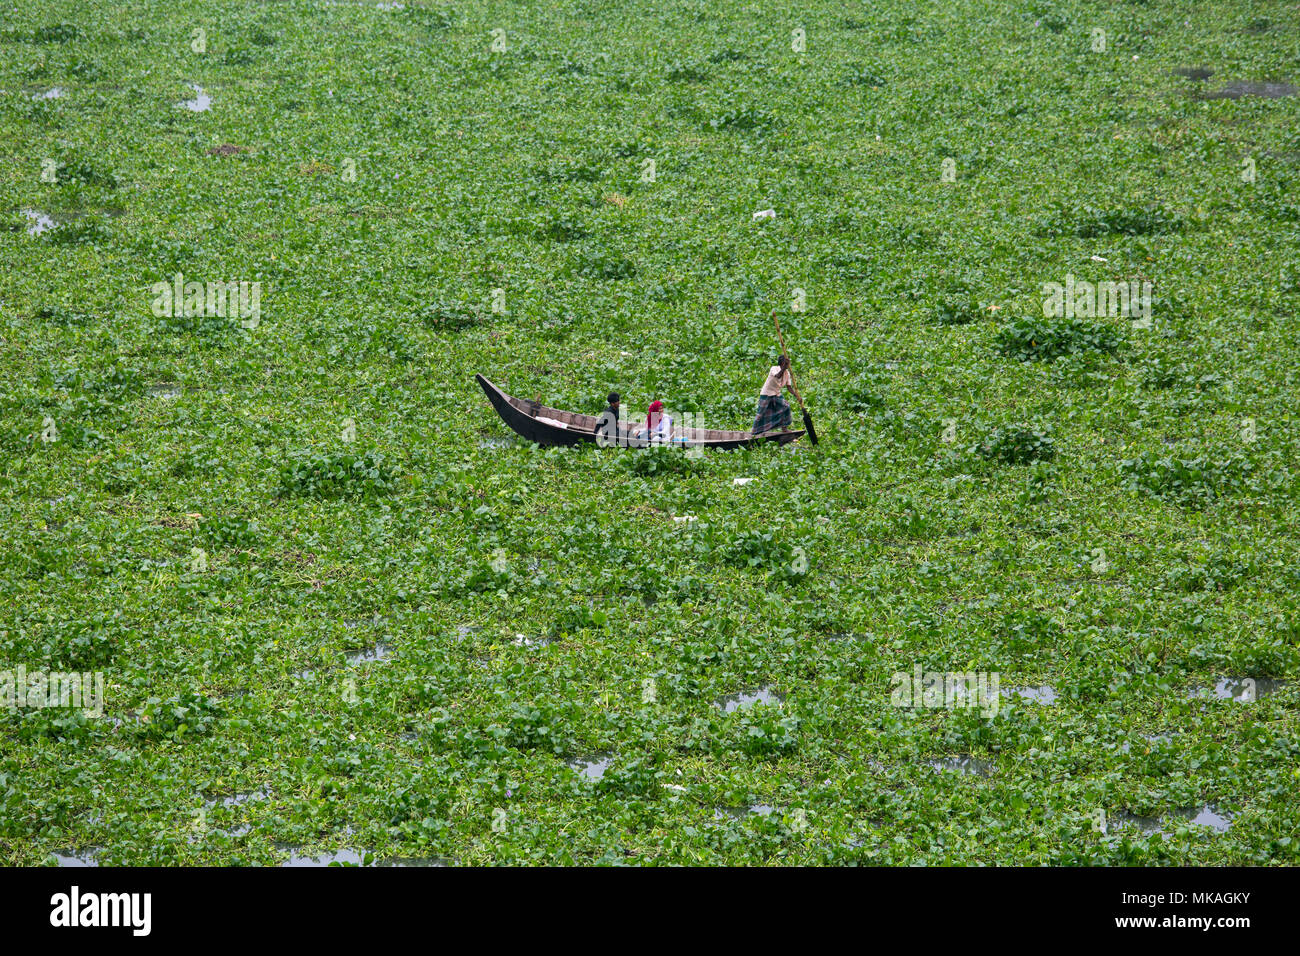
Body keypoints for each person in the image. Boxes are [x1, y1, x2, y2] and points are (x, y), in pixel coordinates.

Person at [753, 355, 794, 435]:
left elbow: (789, 388)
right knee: (761, 413)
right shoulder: (774, 368)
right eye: (786, 362)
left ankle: (784, 428)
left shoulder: (787, 373)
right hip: (767, 393)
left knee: (786, 407)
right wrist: (784, 368)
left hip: (776, 394)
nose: (788, 364)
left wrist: (797, 396)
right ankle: (755, 432)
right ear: (782, 363)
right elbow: (778, 376)